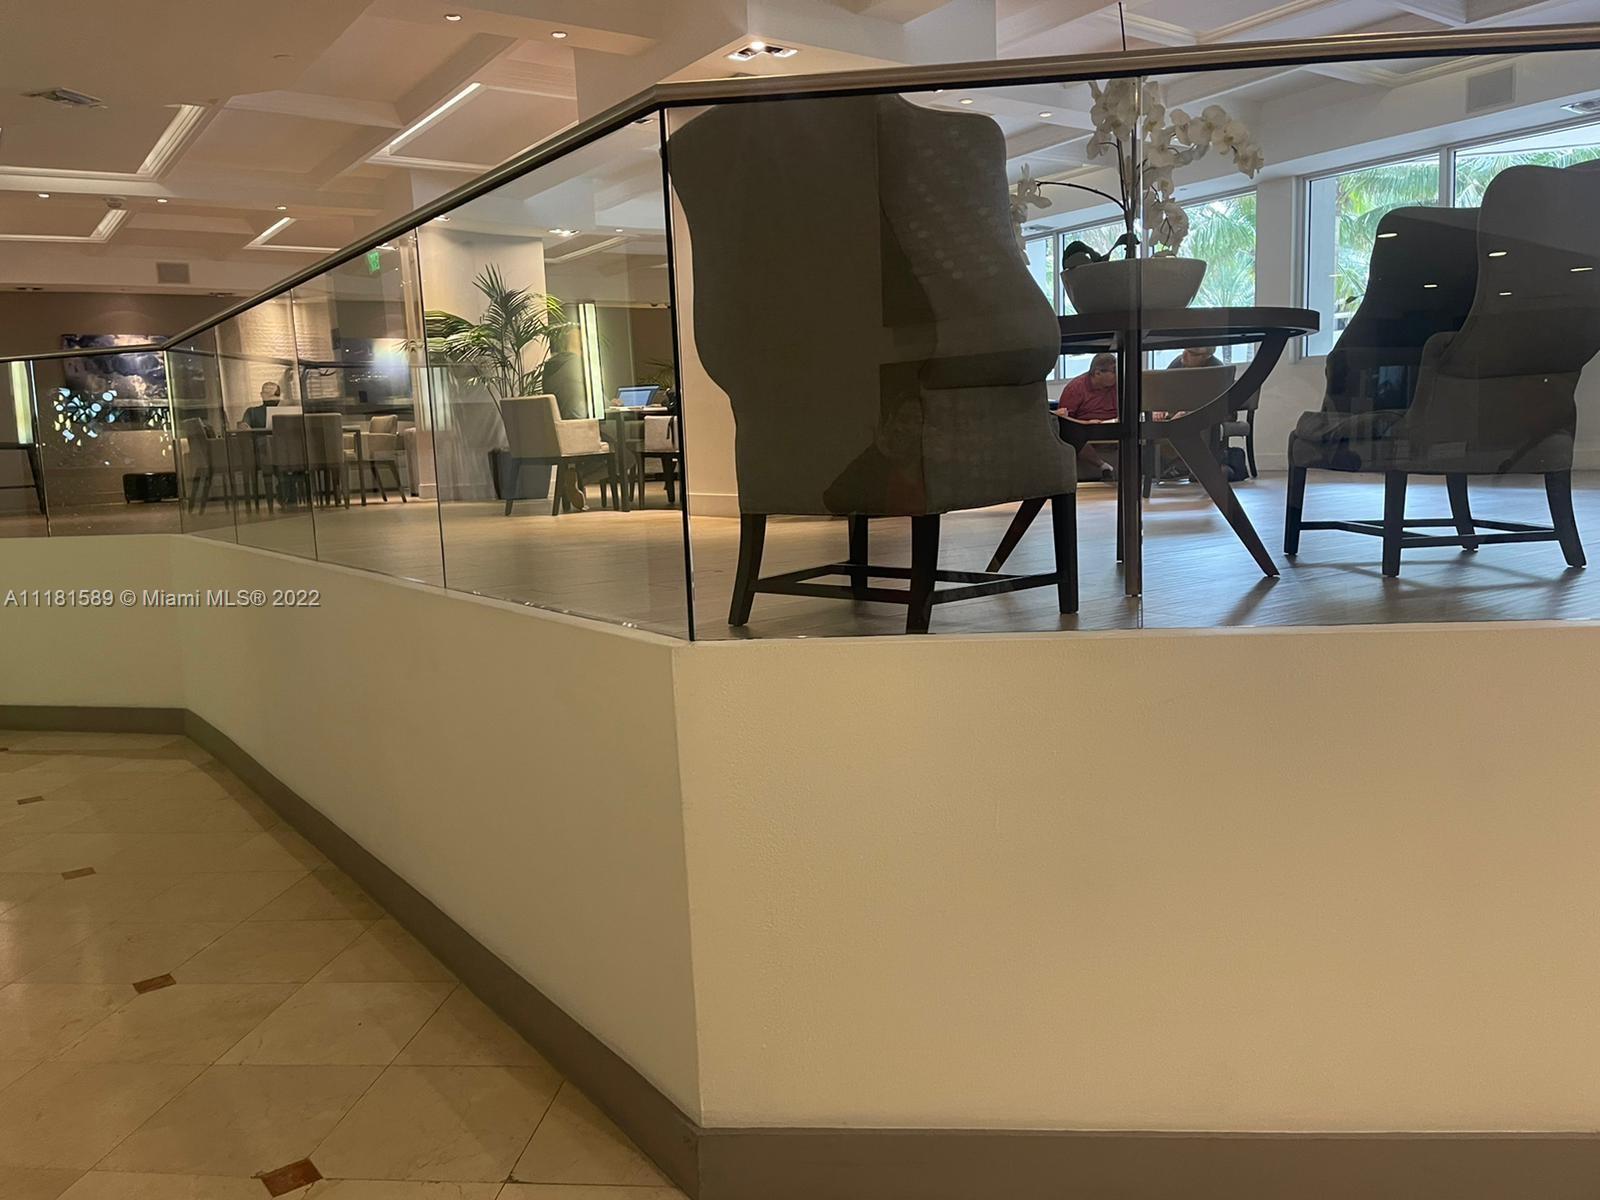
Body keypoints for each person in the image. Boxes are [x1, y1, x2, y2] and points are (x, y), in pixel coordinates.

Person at [1055, 353, 1118, 482]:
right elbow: (1064, 420)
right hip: (1086, 428)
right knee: (1068, 432)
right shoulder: (1075, 388)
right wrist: (1086, 423)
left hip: (1115, 425)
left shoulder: (1119, 386)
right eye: (1114, 371)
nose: (1117, 374)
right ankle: (1103, 466)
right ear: (1097, 373)